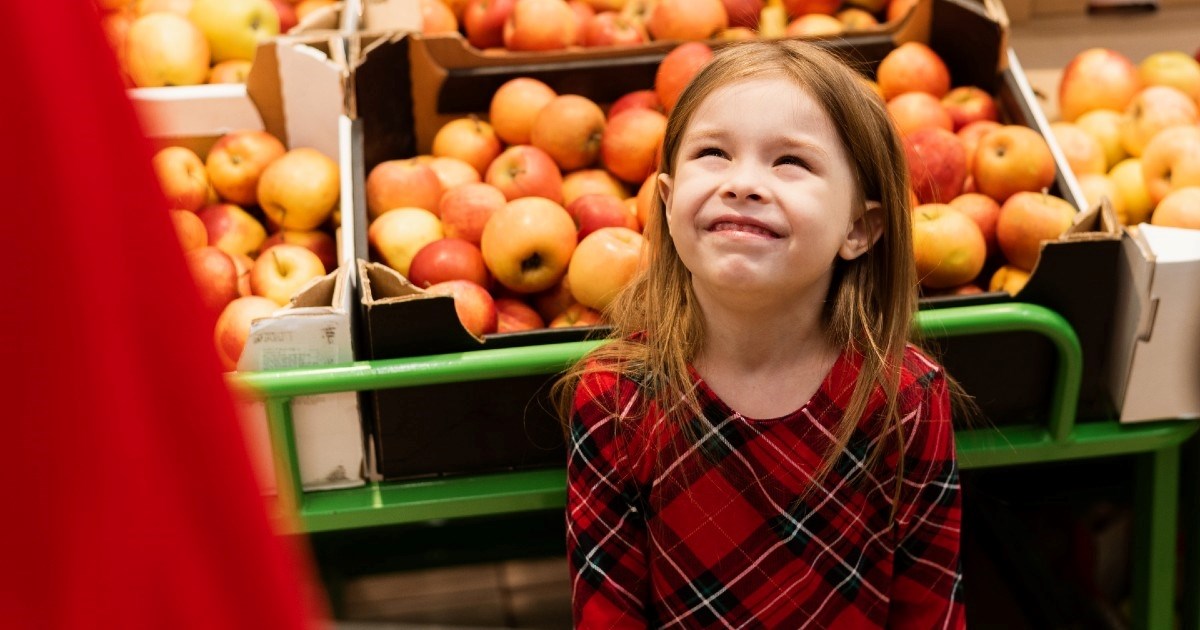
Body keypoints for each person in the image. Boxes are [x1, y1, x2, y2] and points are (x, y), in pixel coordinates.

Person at [557, 39, 964, 629]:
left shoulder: (906, 399)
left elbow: (931, 611)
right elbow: (606, 615)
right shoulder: (616, 398)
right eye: (714, 154)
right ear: (668, 205)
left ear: (859, 228)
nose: (742, 183)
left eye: (790, 162)